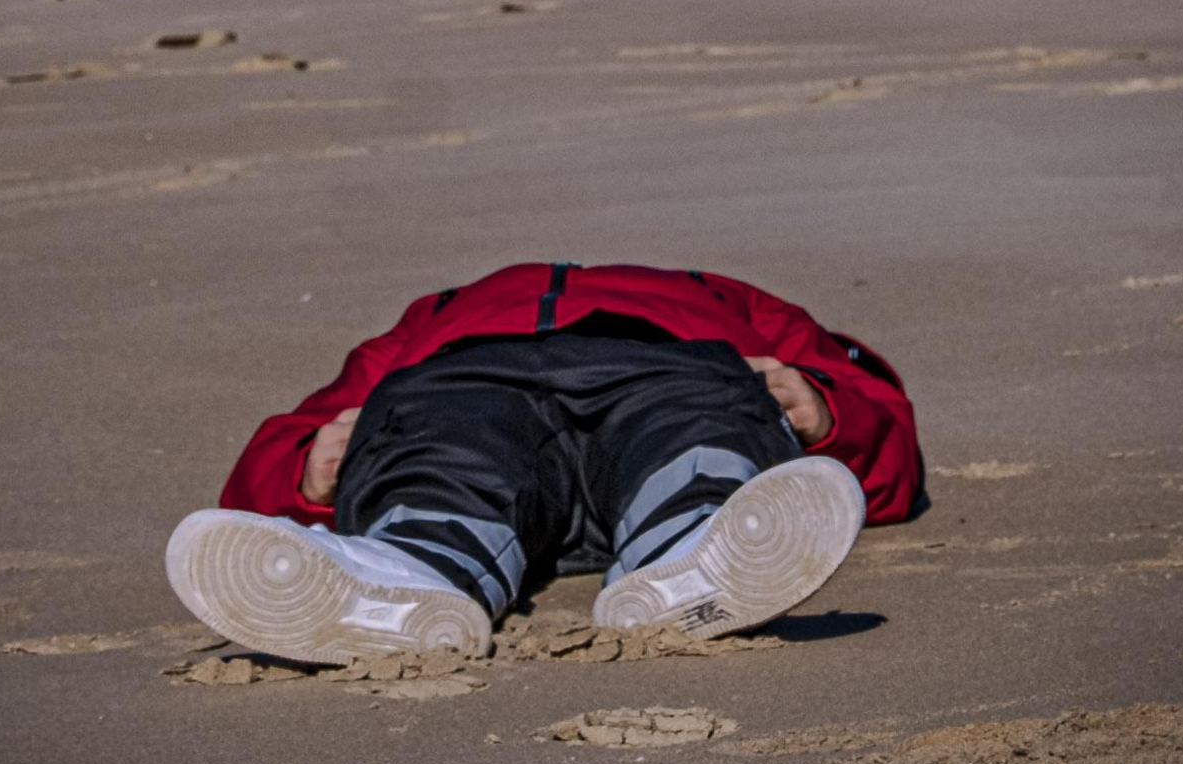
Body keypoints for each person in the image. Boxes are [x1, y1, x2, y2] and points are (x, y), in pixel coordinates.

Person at [166, 260, 921, 666]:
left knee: (692, 434)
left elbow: (872, 404)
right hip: (470, 380)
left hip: (660, 365)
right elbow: (296, 435)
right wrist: (306, 469)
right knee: (443, 457)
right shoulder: (431, 318)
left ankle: (688, 548)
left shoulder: (718, 295)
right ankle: (409, 573)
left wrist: (825, 411)